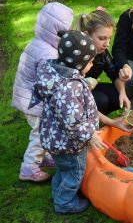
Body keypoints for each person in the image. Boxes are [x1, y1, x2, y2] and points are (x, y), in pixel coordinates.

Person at [29, 30, 105, 214]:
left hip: (54, 138)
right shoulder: (68, 88)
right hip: (68, 144)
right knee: (74, 172)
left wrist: (83, 84)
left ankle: (57, 193)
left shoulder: (58, 75)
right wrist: (90, 134)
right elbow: (73, 122)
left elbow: (66, 100)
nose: (92, 63)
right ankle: (65, 203)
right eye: (90, 61)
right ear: (79, 63)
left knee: (63, 170)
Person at [12, 2, 74, 182]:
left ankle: (43, 157)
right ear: (56, 32)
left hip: (26, 97)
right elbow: (48, 83)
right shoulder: (48, 54)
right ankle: (29, 168)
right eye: (65, 31)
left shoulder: (36, 43)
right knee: (40, 133)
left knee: (41, 131)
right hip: (34, 101)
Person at [75, 7, 133, 132]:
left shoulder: (103, 53)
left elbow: (114, 74)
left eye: (109, 38)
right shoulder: (77, 56)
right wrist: (112, 123)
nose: (107, 44)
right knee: (101, 100)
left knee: (119, 92)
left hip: (89, 89)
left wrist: (123, 94)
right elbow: (77, 99)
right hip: (76, 97)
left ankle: (95, 119)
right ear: (87, 35)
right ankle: (89, 125)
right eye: (102, 38)